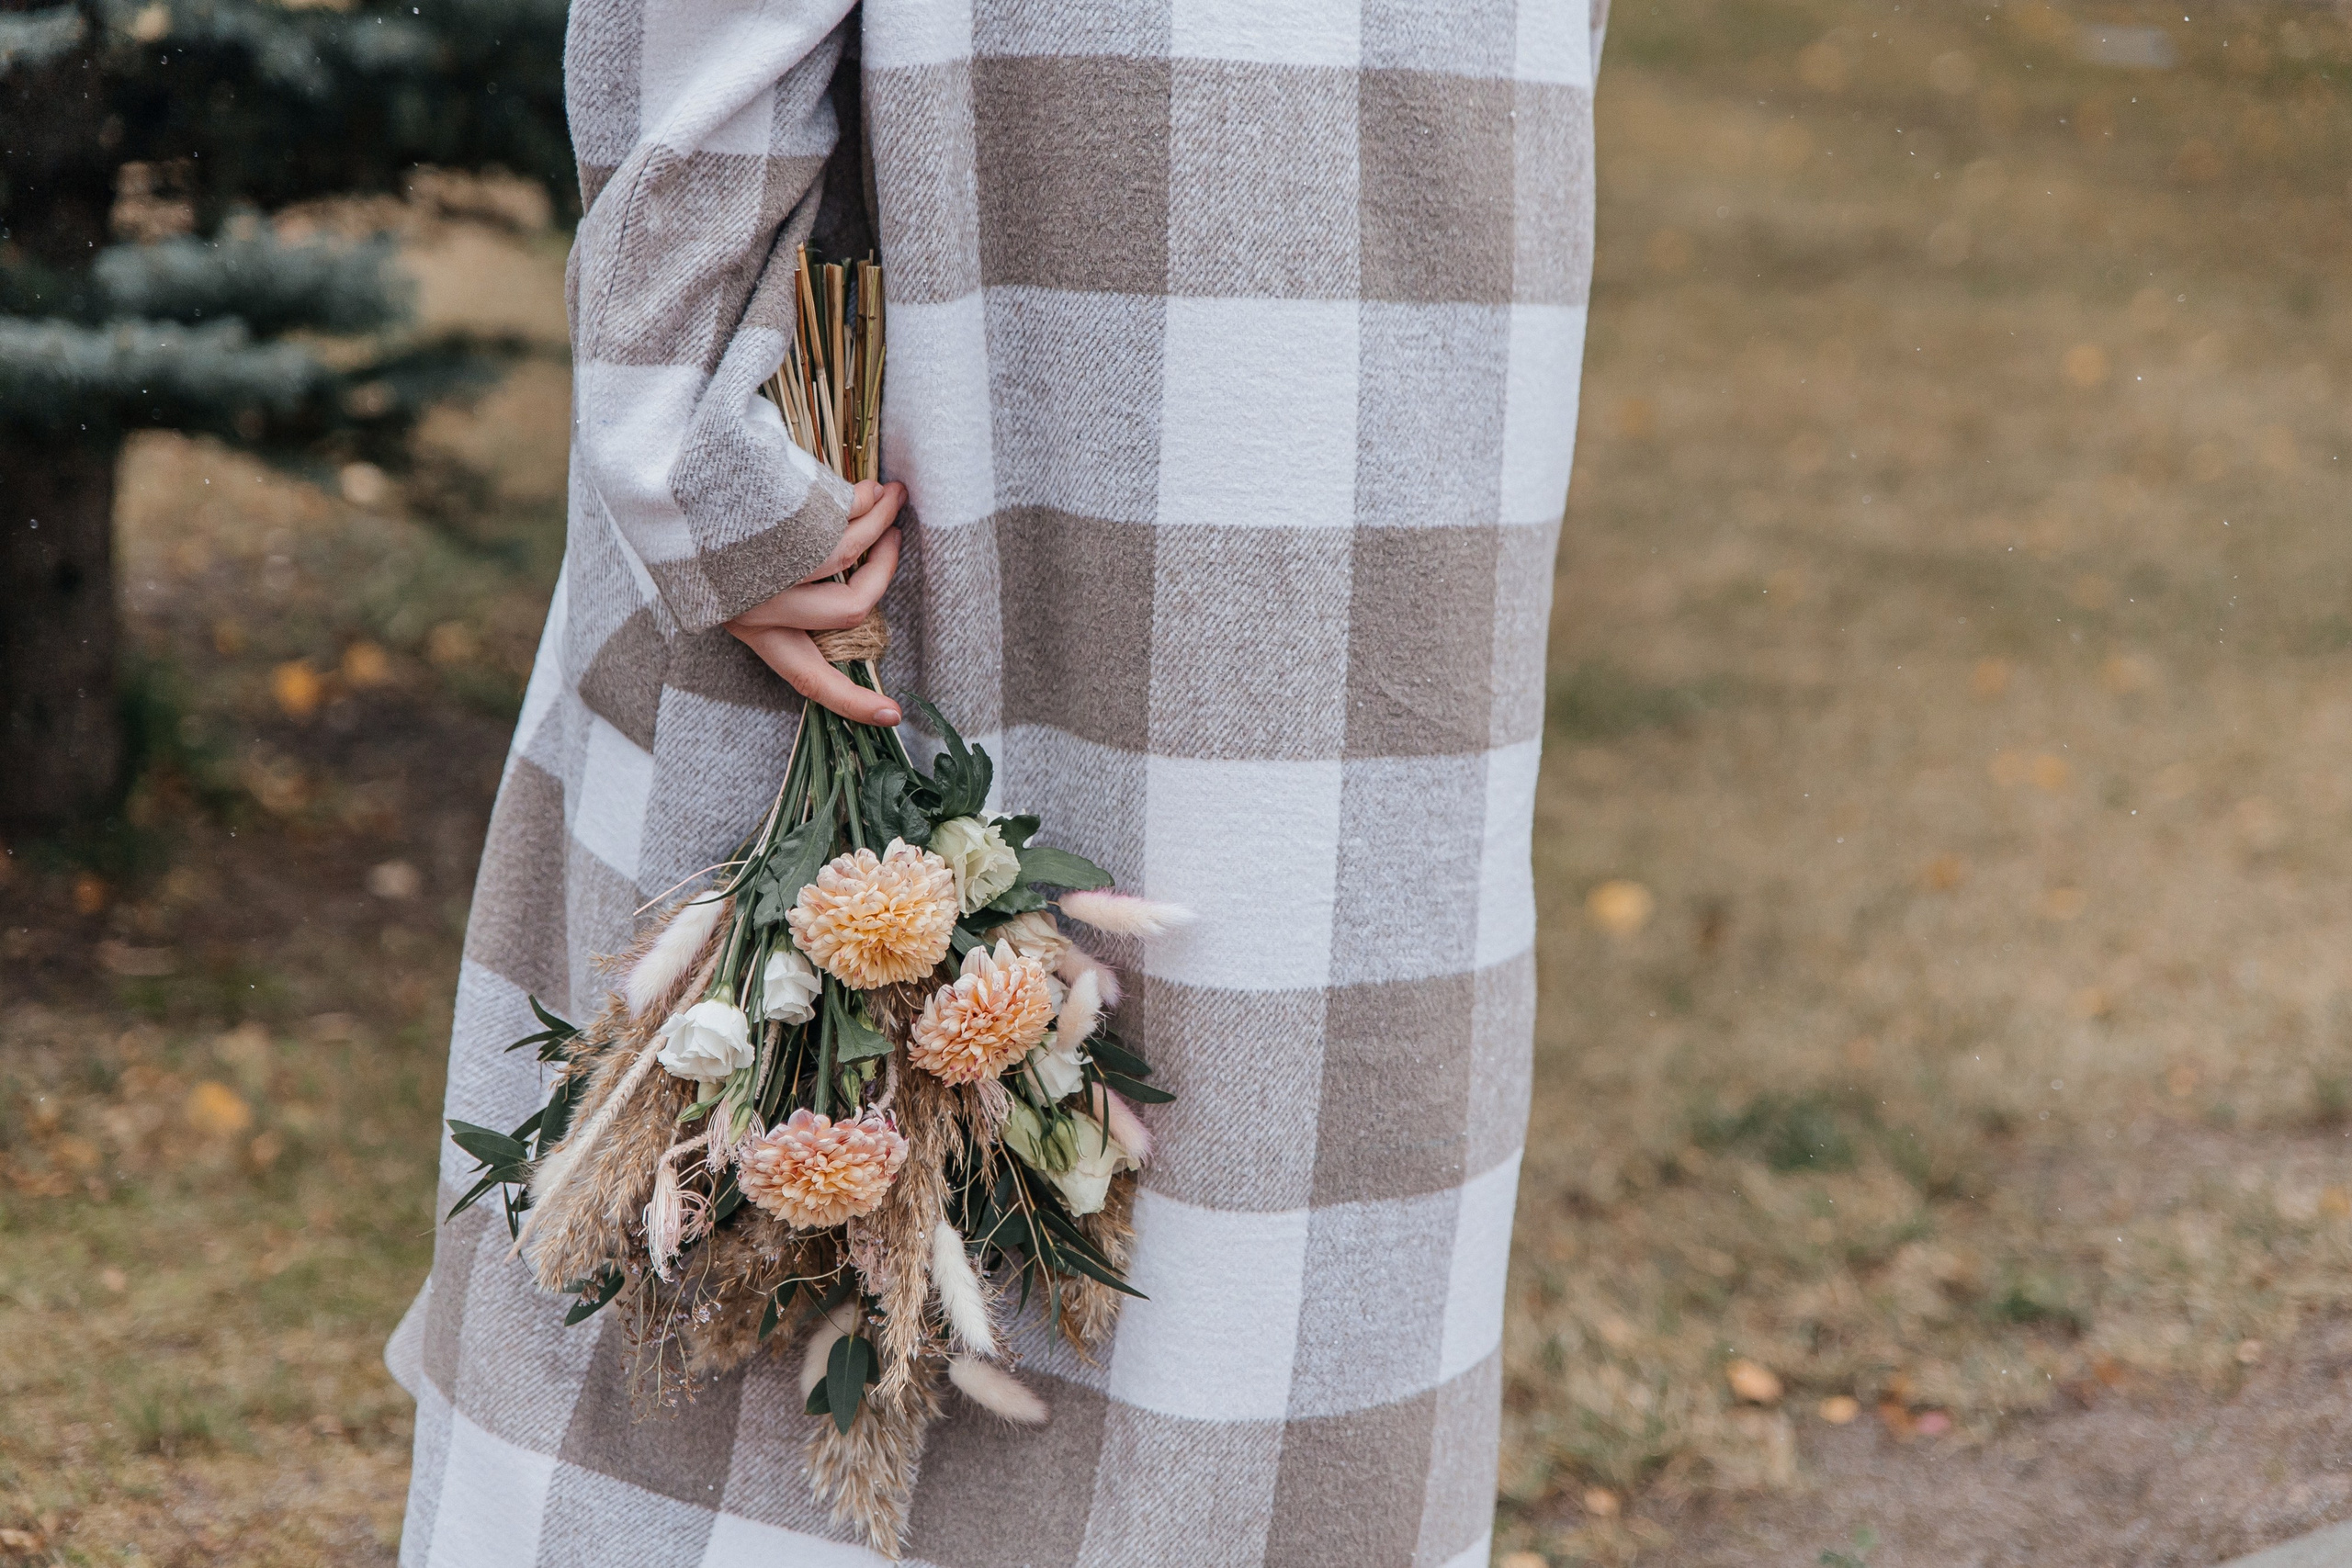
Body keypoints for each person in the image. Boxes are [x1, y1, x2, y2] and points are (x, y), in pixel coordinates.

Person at [390, 1, 1602, 1562]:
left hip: (1339, 338)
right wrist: (703, 463)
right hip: (1178, 356)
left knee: (1283, 1108)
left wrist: (695, 462)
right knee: (1248, 1121)